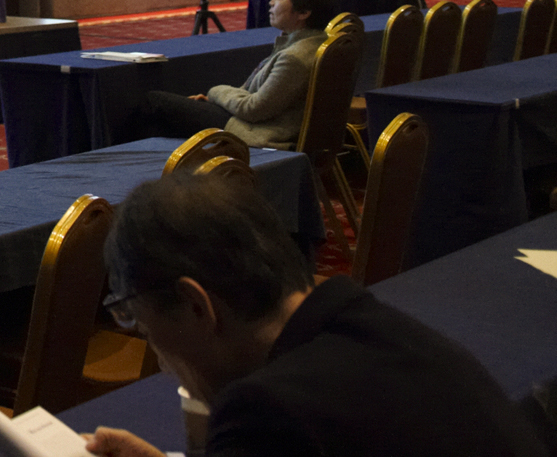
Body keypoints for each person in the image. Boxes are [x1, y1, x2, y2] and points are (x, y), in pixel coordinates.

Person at [82, 171, 543, 457]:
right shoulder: (373, 325)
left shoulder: (266, 413)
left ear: (197, 306)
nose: (163, 365)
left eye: (144, 327)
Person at [137, 0, 332, 147]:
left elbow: (253, 109)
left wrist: (215, 93)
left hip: (258, 131)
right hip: (255, 121)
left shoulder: (294, 57)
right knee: (162, 122)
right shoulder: (313, 43)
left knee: (154, 102)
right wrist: (216, 102)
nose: (272, 3)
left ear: (304, 13)